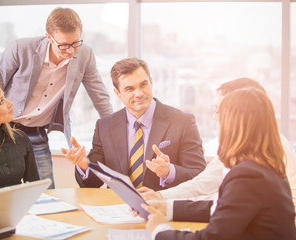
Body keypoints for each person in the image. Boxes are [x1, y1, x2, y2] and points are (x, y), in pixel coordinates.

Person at [137, 78, 296, 239]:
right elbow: (224, 206)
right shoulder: (262, 161)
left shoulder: (248, 174)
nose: (216, 119)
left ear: (234, 123)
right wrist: (167, 207)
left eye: (220, 112)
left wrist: (159, 229)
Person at [0, 7, 112, 189]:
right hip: (4, 129)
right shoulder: (21, 48)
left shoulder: (84, 54)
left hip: (37, 132)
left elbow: (99, 95)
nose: (70, 51)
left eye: (75, 43)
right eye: (63, 45)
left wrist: (115, 130)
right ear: (48, 37)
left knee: (47, 193)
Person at [61, 57, 206, 191]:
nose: (139, 93)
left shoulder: (183, 122)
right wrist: (84, 166)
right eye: (129, 89)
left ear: (151, 81)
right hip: (117, 208)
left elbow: (199, 174)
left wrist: (169, 171)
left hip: (161, 207)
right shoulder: (104, 127)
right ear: (117, 93)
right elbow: (92, 184)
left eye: (143, 85)